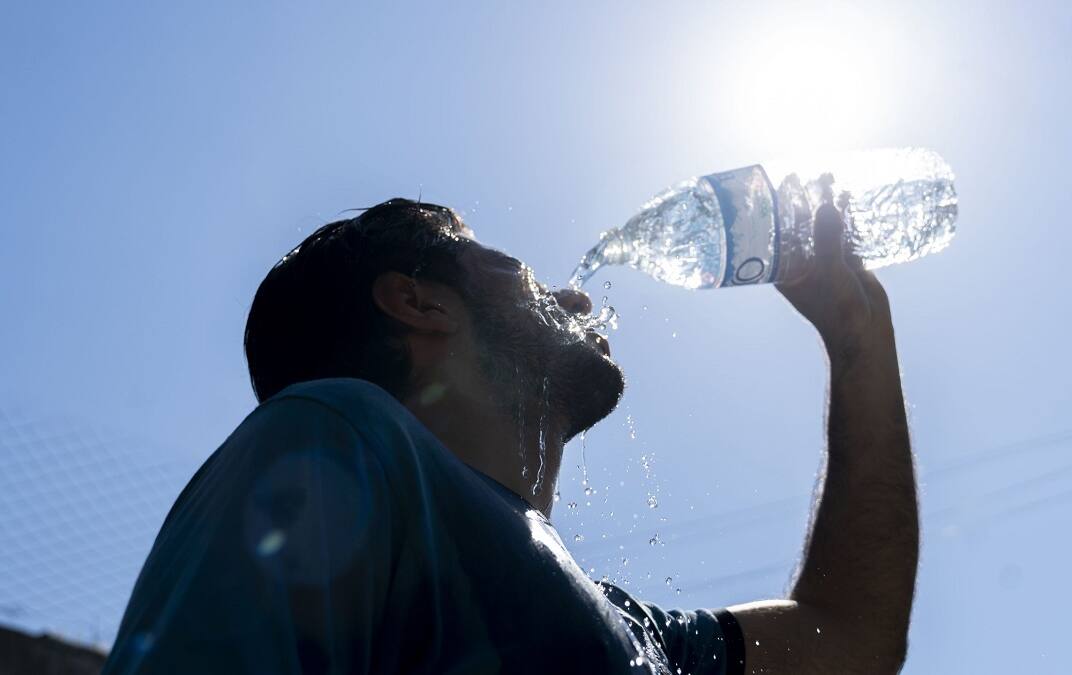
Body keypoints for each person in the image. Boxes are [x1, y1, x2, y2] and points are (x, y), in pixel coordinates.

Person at [102, 197, 918, 674]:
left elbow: (849, 638)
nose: (574, 297)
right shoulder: (339, 438)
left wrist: (859, 337)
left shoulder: (633, 633)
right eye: (516, 269)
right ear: (419, 303)